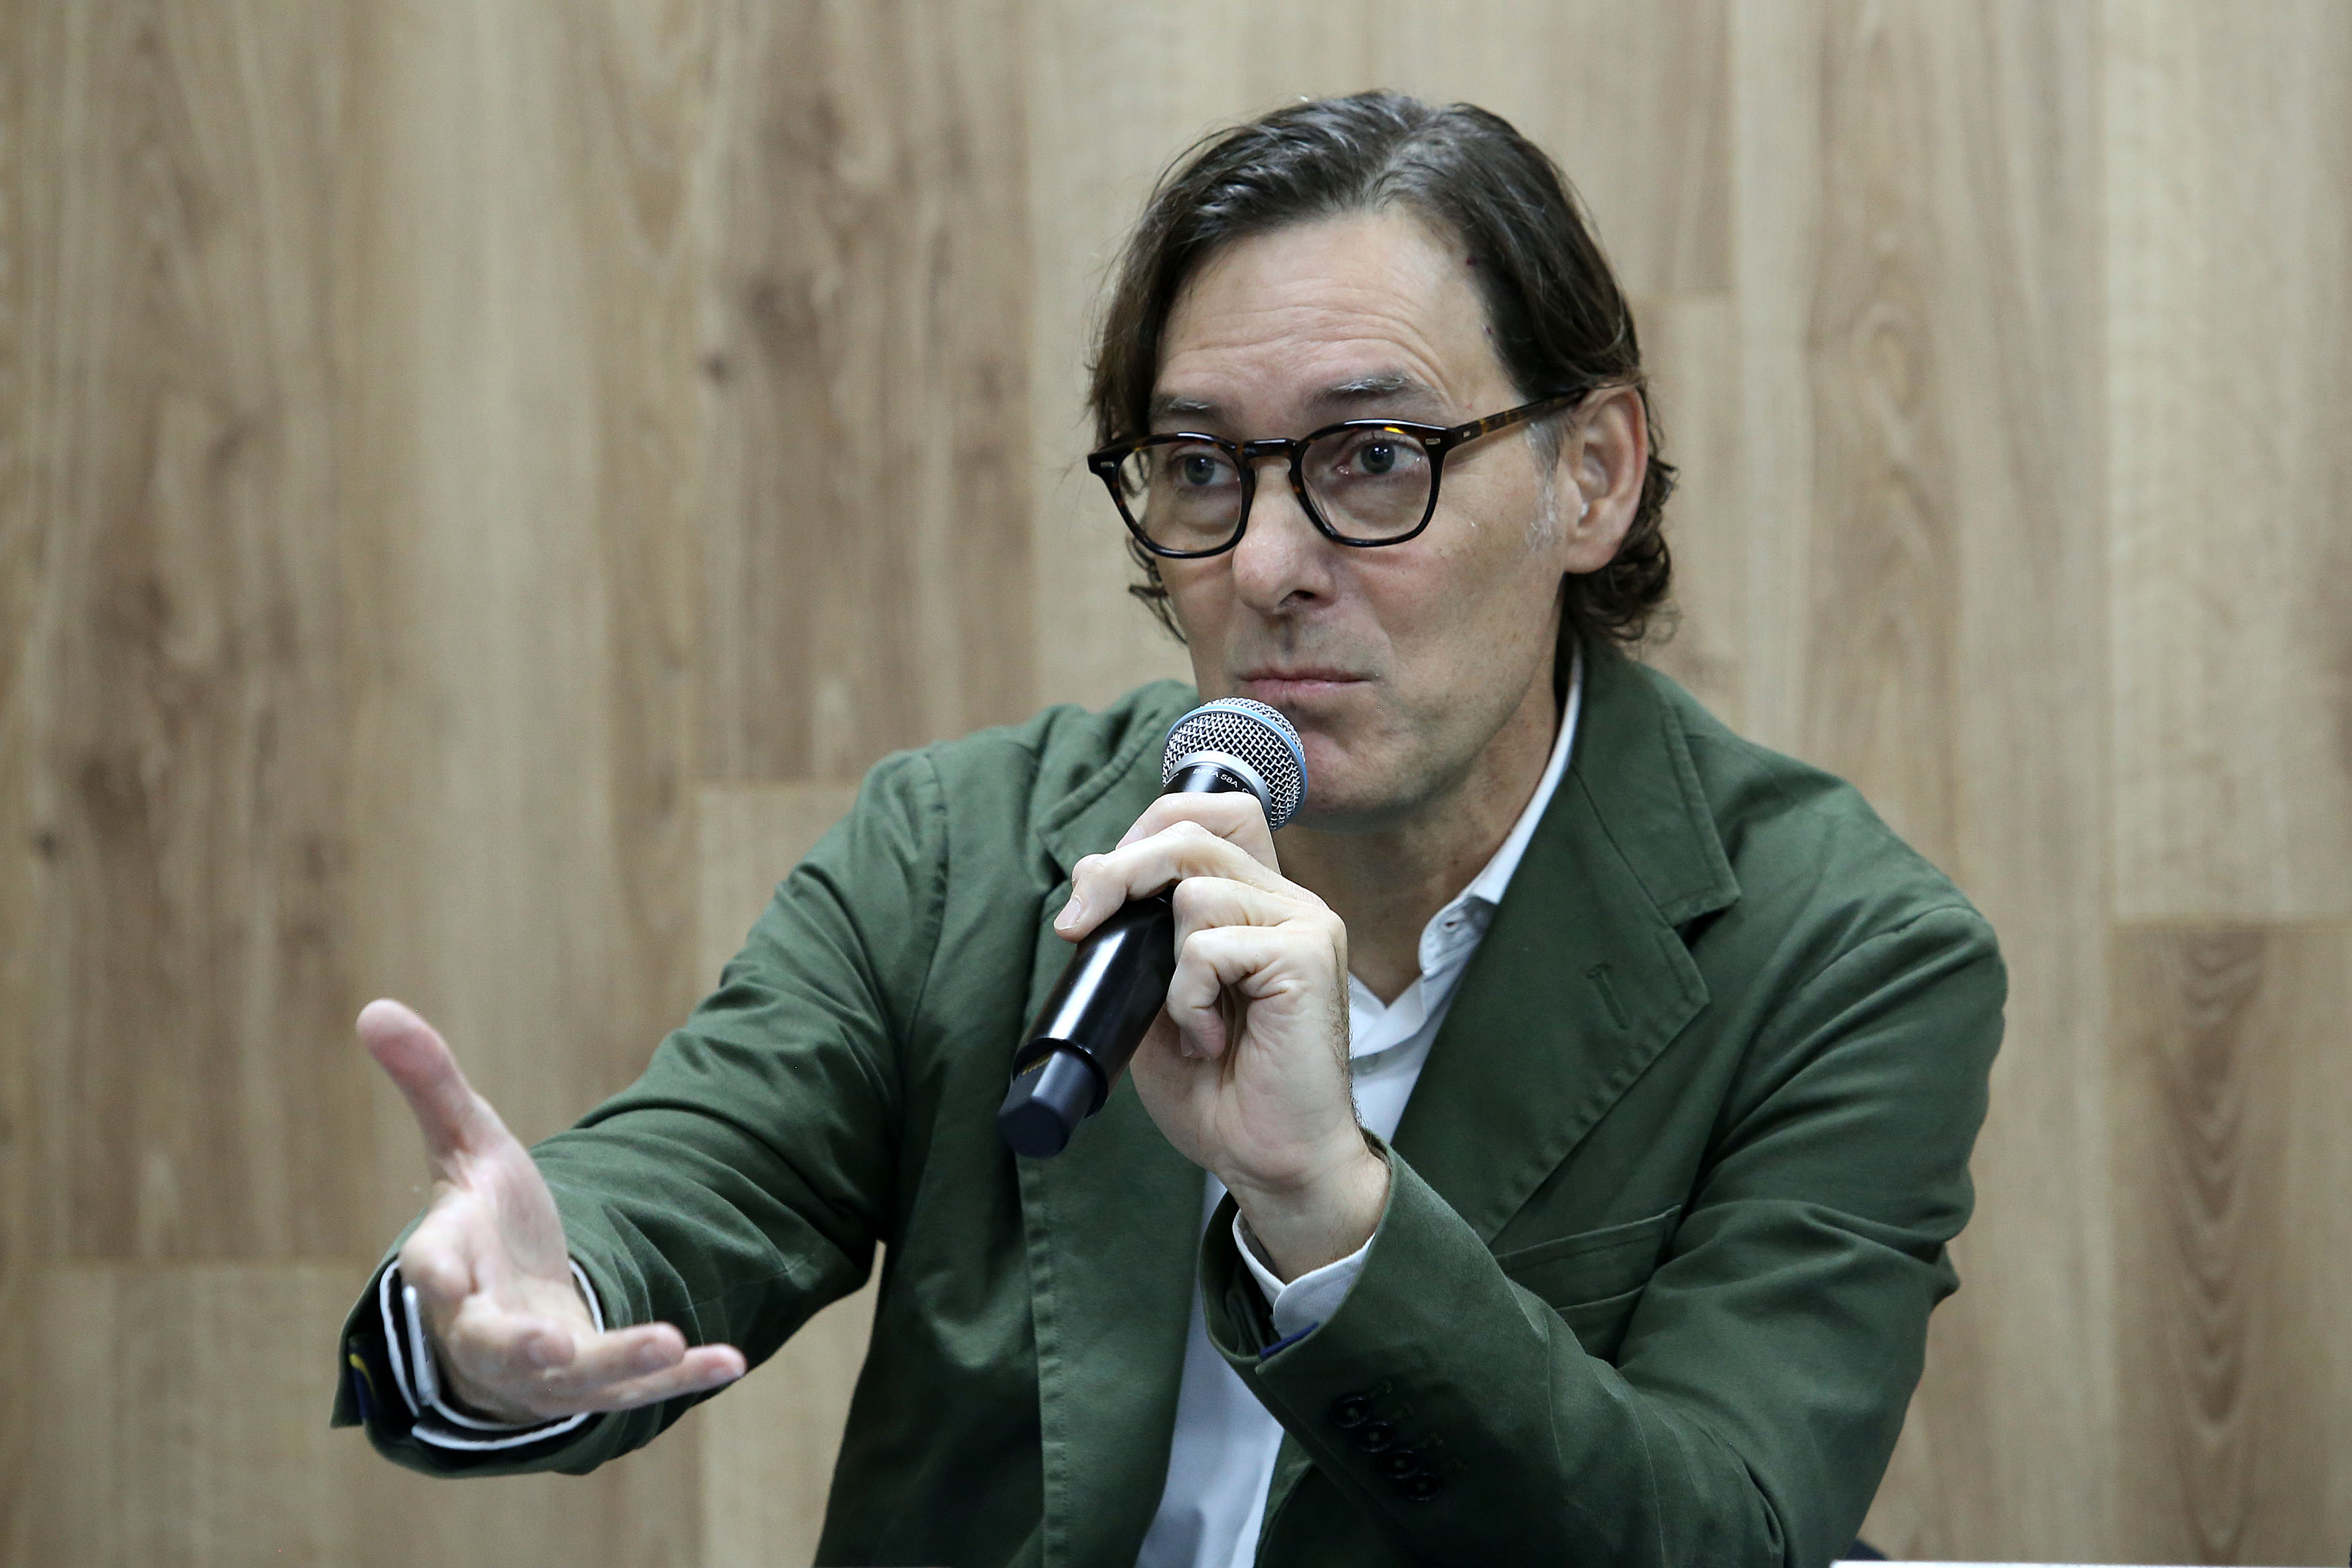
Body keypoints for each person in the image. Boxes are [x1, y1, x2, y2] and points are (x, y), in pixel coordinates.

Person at [333, 92, 2003, 1568]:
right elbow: (692, 1176)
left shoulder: (1838, 958)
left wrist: (1326, 1210)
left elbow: (1723, 1530)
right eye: (1200, 468)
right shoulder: (963, 852)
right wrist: (519, 1302)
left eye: (1373, 456)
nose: (1265, 562)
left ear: (1593, 474)